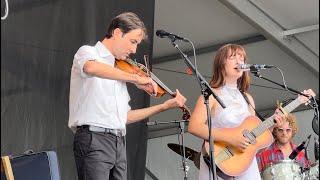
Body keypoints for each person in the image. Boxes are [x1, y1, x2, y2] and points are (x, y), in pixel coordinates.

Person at [68, 12, 186, 180]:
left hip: (118, 142)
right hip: (94, 138)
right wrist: (136, 78)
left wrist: (164, 106)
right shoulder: (88, 52)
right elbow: (91, 69)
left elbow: (124, 117)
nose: (134, 49)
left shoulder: (119, 70)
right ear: (117, 33)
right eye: (133, 42)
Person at [187, 44, 315, 180]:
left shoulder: (247, 98)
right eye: (233, 57)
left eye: (242, 58)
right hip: (220, 159)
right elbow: (194, 127)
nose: (239, 61)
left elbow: (254, 135)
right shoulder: (210, 96)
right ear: (221, 63)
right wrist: (231, 138)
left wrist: (273, 123)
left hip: (245, 163)